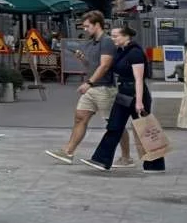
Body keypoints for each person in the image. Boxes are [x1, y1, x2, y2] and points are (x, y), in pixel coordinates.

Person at [45, 10, 131, 166]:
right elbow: (92, 65)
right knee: (80, 117)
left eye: (86, 26)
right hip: (92, 88)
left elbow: (105, 66)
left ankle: (126, 157)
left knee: (114, 124)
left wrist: (89, 83)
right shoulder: (91, 43)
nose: (84, 29)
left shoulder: (106, 41)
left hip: (104, 88)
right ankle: (68, 152)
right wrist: (83, 60)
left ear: (97, 24)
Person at [84, 24, 165, 174]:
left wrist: (140, 102)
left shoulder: (135, 52)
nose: (113, 38)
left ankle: (155, 165)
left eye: (116, 36)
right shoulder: (121, 51)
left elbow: (139, 79)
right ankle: (101, 160)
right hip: (123, 93)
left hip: (135, 94)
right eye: (112, 36)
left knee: (146, 130)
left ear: (126, 36)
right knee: (114, 126)